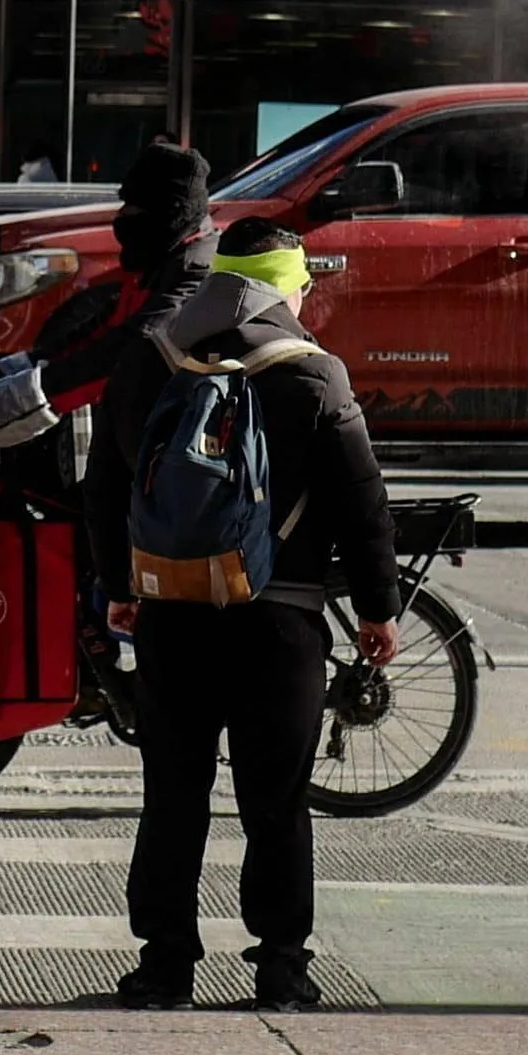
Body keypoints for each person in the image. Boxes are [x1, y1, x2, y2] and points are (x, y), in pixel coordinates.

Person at [79, 213, 395, 1012]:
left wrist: (119, 580)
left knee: (174, 791)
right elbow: (363, 503)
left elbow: (105, 486)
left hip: (173, 613)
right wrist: (377, 606)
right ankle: (281, 967)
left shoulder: (148, 359)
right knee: (275, 799)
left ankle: (163, 966)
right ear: (288, 288)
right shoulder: (317, 375)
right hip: (279, 620)